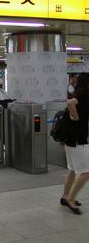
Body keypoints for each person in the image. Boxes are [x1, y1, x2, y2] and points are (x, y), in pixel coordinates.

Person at [61, 73, 89, 215]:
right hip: (78, 140)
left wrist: (75, 118)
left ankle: (66, 196)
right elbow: (70, 103)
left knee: (72, 169)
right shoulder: (82, 97)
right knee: (86, 172)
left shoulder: (80, 95)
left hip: (71, 139)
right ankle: (71, 199)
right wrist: (76, 118)